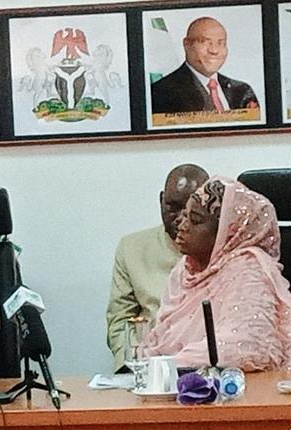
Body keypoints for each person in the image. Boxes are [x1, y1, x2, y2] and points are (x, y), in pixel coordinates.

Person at [142, 177, 291, 370]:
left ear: (226, 232)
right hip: (172, 386)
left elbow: (248, 347)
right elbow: (159, 339)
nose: (182, 224)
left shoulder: (248, 270)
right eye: (184, 215)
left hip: (237, 392)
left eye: (195, 219)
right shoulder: (184, 270)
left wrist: (164, 365)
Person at [106, 164, 209, 371]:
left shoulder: (226, 253)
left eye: (190, 209)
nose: (180, 217)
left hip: (208, 368)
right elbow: (119, 322)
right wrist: (134, 367)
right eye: (172, 206)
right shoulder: (131, 249)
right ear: (161, 200)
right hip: (149, 369)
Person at [151, 17, 258, 114]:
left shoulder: (242, 90)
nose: (214, 50)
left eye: (221, 43)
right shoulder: (162, 92)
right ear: (187, 44)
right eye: (205, 42)